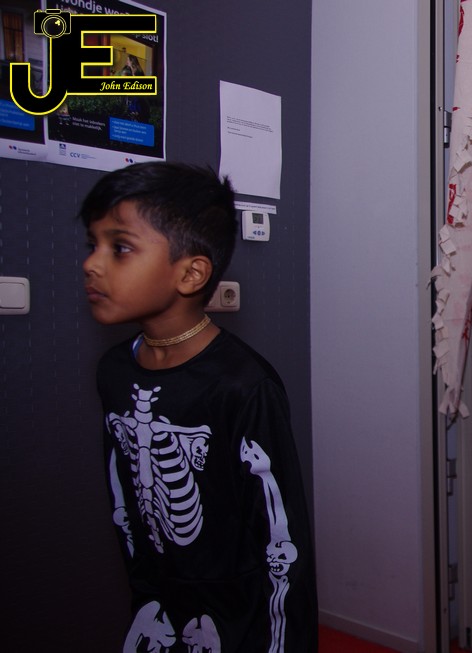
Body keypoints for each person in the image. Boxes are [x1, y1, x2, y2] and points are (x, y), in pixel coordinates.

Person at [80, 162, 318, 653]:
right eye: (92, 245)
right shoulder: (114, 371)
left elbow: (282, 537)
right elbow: (124, 501)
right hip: (155, 605)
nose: (91, 264)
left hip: (237, 617)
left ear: (191, 273)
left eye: (119, 248)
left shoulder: (243, 385)